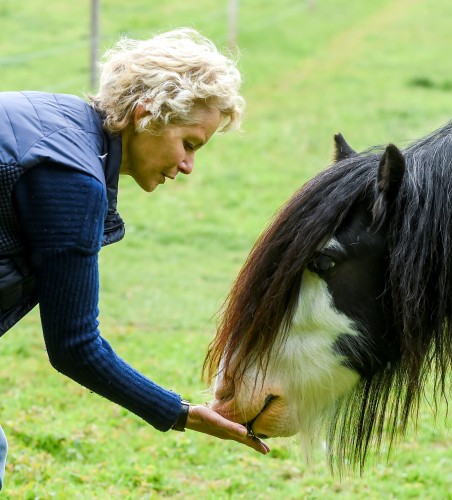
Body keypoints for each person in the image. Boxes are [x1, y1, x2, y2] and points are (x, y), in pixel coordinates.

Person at [0, 28, 269, 490]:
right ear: (147, 115)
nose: (188, 166)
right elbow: (76, 346)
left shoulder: (44, 115)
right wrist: (180, 413)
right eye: (190, 144)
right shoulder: (73, 179)